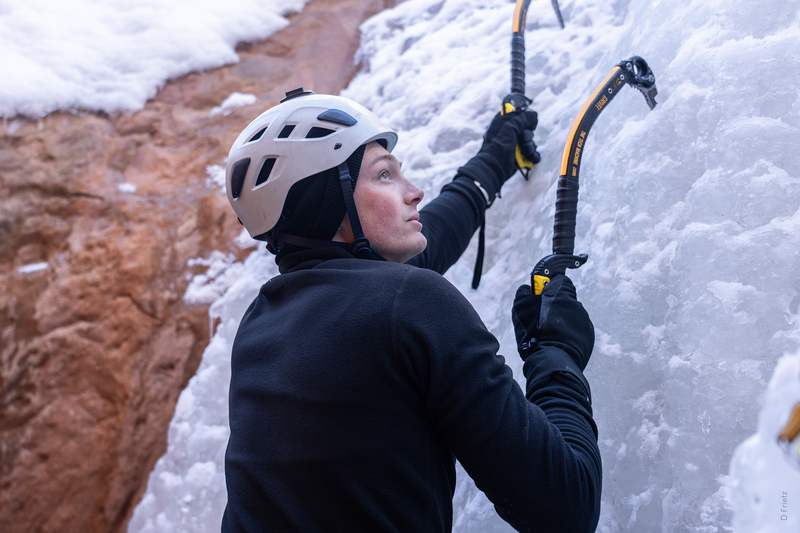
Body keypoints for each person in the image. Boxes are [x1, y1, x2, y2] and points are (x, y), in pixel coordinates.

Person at [221, 89, 601, 533]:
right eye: (385, 176)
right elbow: (567, 507)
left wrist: (492, 163)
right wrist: (554, 354)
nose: (415, 192)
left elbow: (418, 252)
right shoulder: (412, 303)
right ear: (329, 201)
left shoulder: (259, 326)